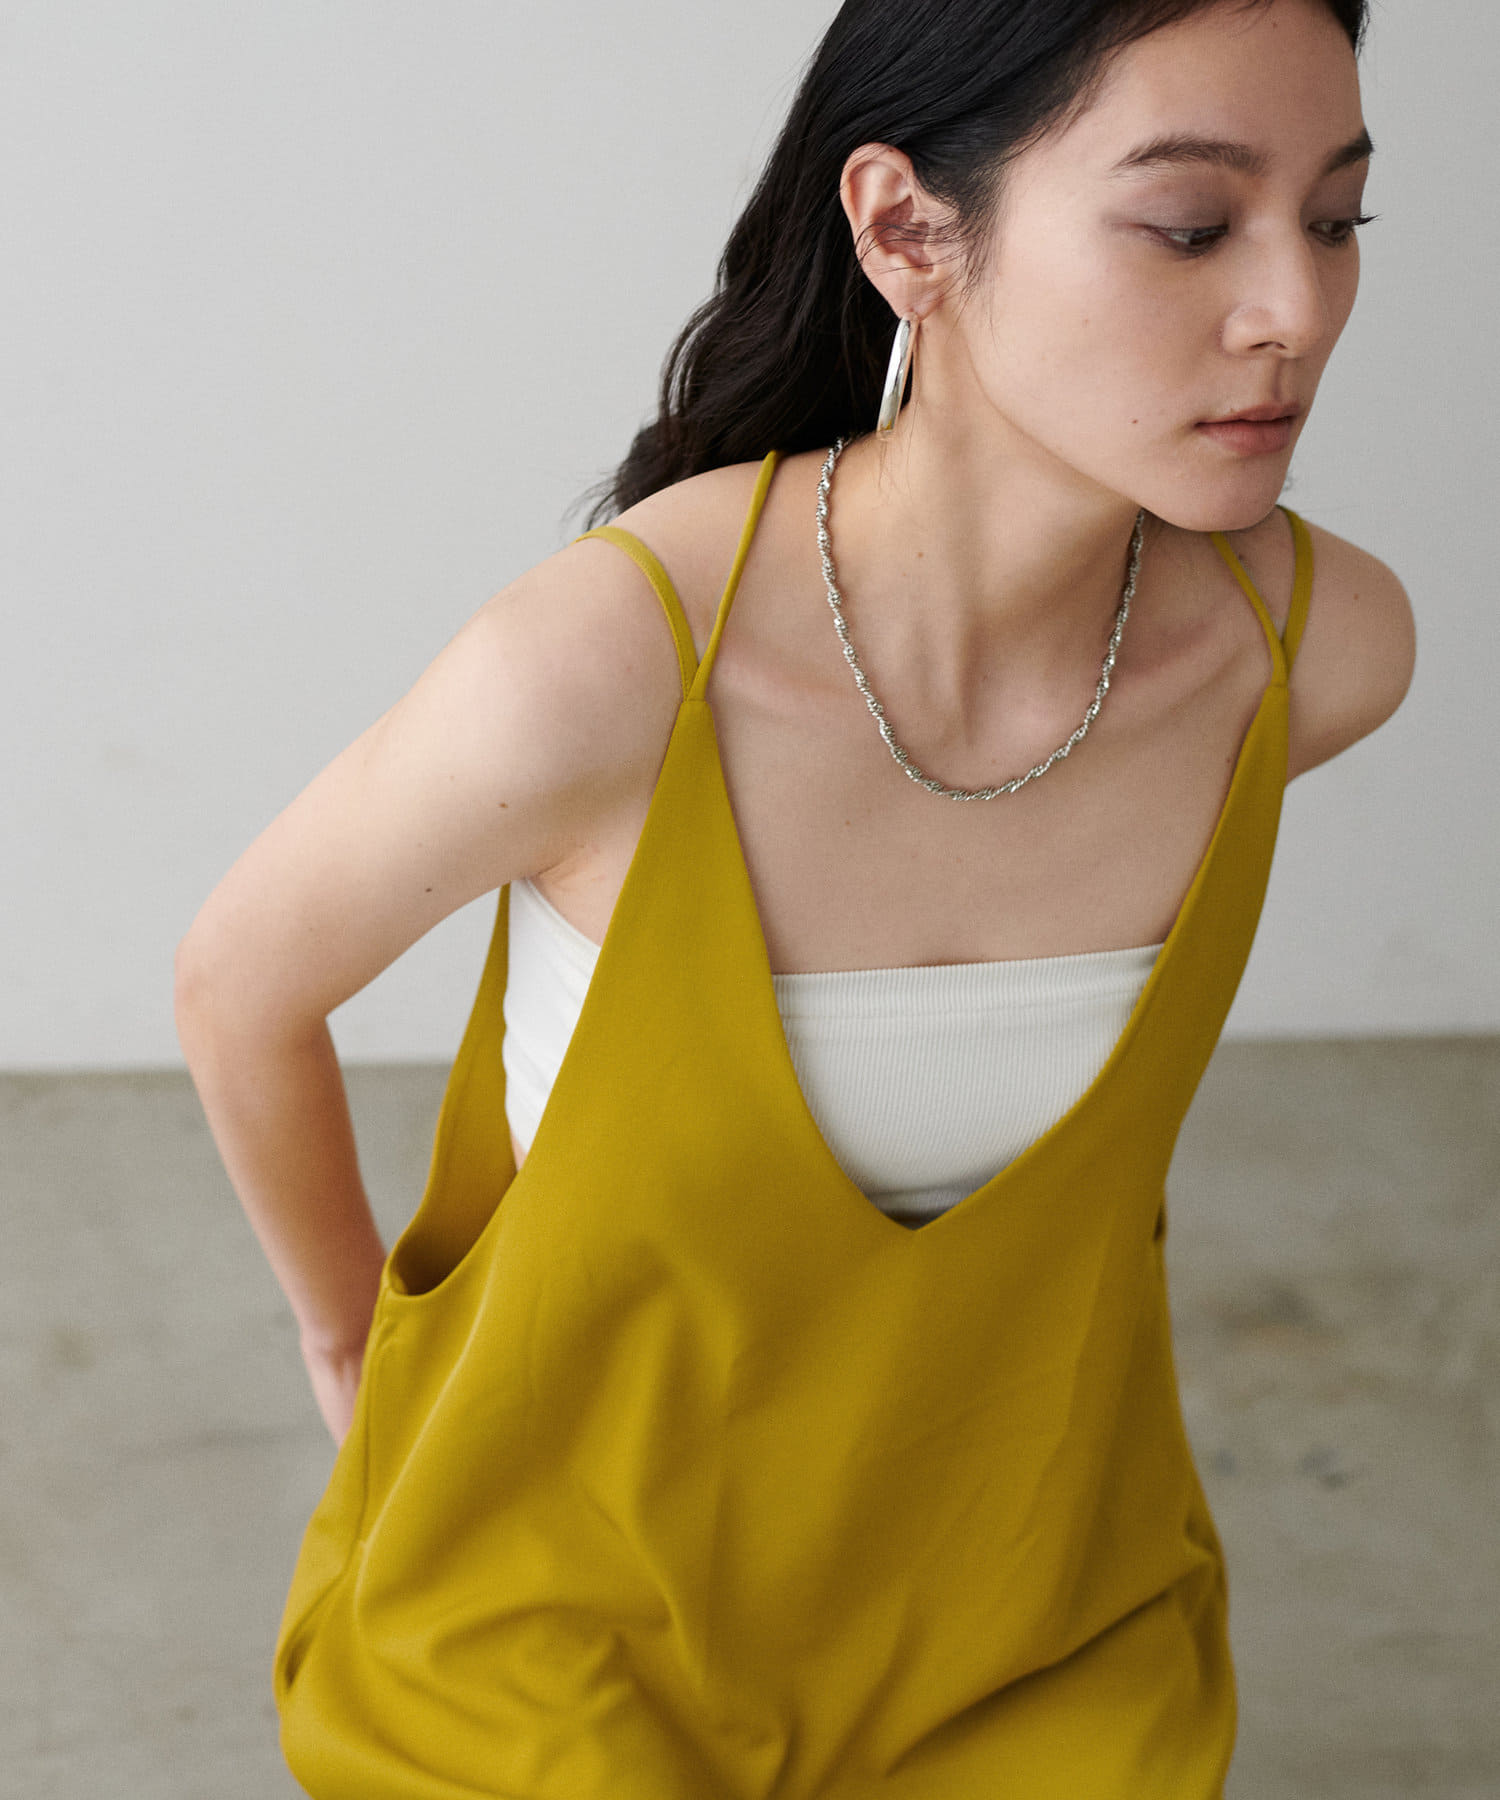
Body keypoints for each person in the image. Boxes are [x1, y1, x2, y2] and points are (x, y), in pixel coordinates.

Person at [175, 0, 1415, 1793]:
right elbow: (240, 983)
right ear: (908, 230)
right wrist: (354, 1339)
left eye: (1338, 219)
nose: (1295, 308)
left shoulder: (1317, 656)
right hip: (558, 1635)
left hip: (1044, 1625)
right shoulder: (608, 672)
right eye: (1189, 224)